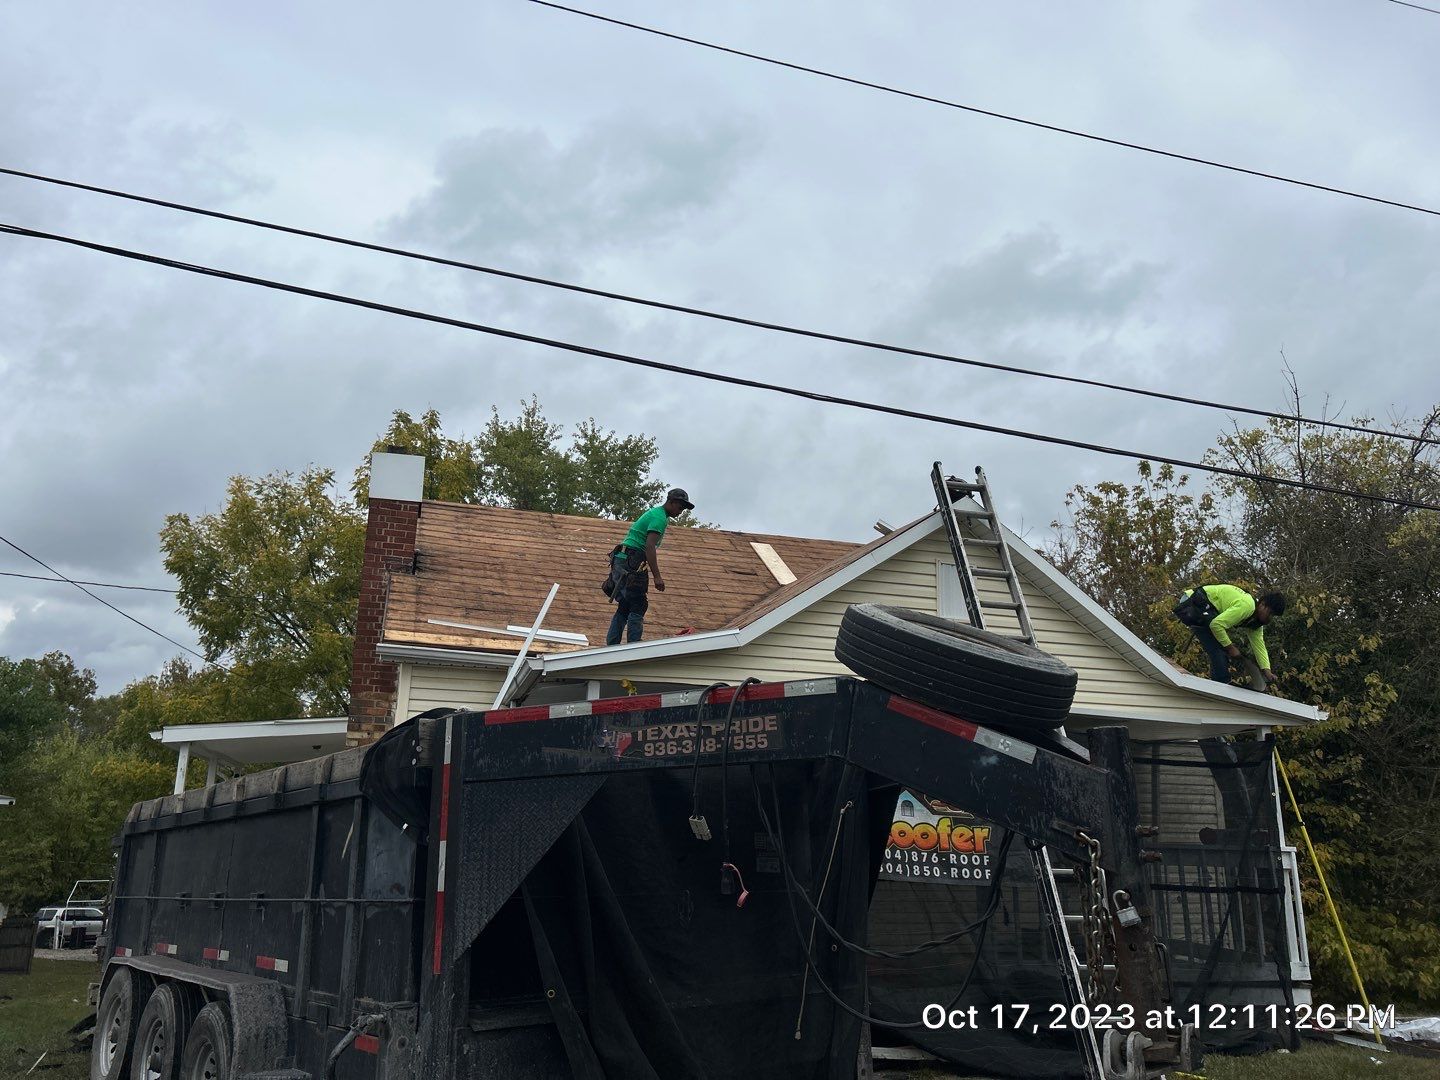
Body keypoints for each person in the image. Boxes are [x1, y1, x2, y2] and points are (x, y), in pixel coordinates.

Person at [603, 488, 694, 646]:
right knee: (639, 603)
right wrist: (657, 576)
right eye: (680, 507)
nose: (680, 512)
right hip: (632, 560)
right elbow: (649, 547)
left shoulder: (657, 513)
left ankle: (612, 645)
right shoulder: (659, 518)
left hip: (622, 558)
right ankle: (634, 644)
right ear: (671, 502)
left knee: (626, 604)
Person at [1173, 584, 1286, 691]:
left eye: (1273, 616)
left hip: (1203, 606)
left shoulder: (1255, 623)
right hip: (1194, 601)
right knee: (1219, 649)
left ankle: (1219, 683)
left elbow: (1259, 647)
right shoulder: (1247, 606)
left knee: (1219, 647)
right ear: (1262, 604)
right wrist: (1230, 647)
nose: (1270, 618)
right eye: (1270, 613)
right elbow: (1216, 625)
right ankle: (1222, 686)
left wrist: (1267, 671)